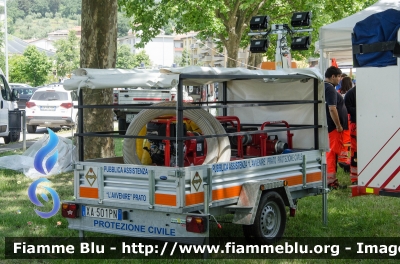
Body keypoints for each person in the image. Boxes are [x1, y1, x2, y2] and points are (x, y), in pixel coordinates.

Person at [324, 66, 349, 188]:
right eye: (338, 76)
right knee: (332, 154)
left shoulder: (324, 87)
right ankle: (331, 182)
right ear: (333, 76)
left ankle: (331, 180)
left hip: (331, 127)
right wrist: (338, 125)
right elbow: (332, 108)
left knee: (332, 153)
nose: (340, 79)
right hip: (333, 128)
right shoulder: (330, 89)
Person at [337, 76, 353, 172]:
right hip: (349, 119)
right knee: (348, 141)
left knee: (343, 140)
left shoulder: (338, 93)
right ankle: (345, 160)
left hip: (341, 118)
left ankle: (342, 159)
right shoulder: (351, 93)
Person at [344, 85, 357, 184]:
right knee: (355, 153)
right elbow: (347, 108)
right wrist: (359, 111)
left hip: (367, 125)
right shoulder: (351, 93)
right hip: (355, 125)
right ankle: (355, 178)